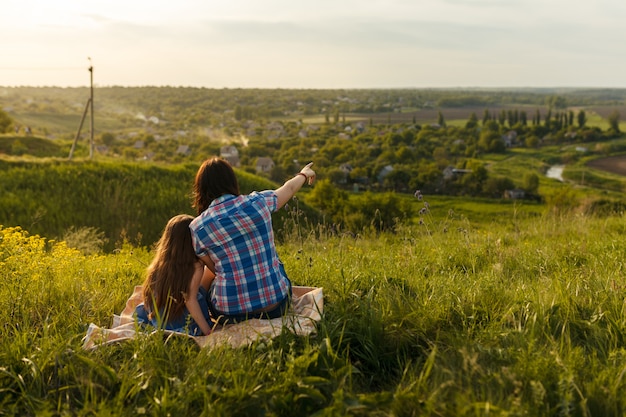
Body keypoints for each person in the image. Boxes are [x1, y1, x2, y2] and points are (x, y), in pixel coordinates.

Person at [190, 157, 315, 324]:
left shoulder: (197, 228)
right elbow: (289, 188)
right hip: (276, 306)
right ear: (231, 181)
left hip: (230, 314)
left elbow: (215, 270)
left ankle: (193, 309)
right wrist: (304, 174)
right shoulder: (258, 202)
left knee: (211, 274)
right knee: (276, 263)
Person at [135, 214, 215, 335]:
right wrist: (207, 331)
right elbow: (190, 300)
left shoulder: (159, 264)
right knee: (203, 283)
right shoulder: (195, 264)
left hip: (161, 321)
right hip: (185, 320)